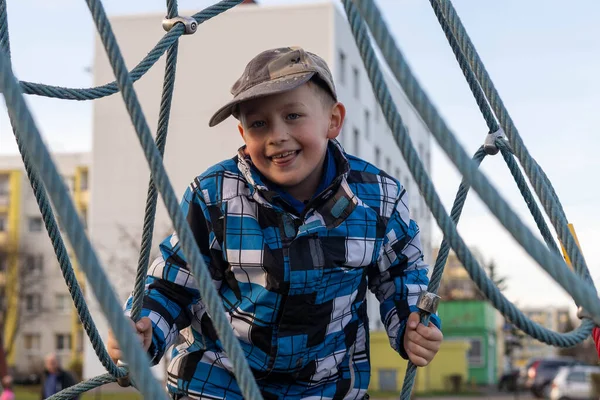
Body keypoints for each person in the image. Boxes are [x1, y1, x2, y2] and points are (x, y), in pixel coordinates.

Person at [108, 46, 443, 400]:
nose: (276, 135)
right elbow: (174, 283)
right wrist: (146, 328)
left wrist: (413, 326)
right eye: (258, 124)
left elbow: (401, 274)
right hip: (221, 379)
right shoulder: (214, 195)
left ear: (333, 120)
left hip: (326, 384)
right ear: (242, 135)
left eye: (293, 115)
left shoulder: (379, 198)